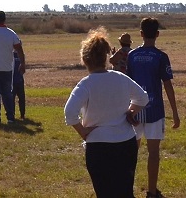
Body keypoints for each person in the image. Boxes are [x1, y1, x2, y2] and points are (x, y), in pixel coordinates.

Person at [64, 28, 150, 198]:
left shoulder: (85, 84)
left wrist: (83, 132)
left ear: (84, 59)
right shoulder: (120, 77)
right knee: (125, 192)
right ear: (105, 57)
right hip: (126, 143)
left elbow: (70, 112)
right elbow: (143, 98)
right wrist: (130, 112)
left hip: (98, 146)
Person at [125, 17, 180, 198]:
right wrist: (175, 113)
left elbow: (127, 84)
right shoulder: (161, 57)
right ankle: (151, 190)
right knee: (153, 152)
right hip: (155, 109)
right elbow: (168, 86)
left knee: (131, 153)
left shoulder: (132, 56)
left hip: (134, 111)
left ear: (141, 34)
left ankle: (127, 190)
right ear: (157, 34)